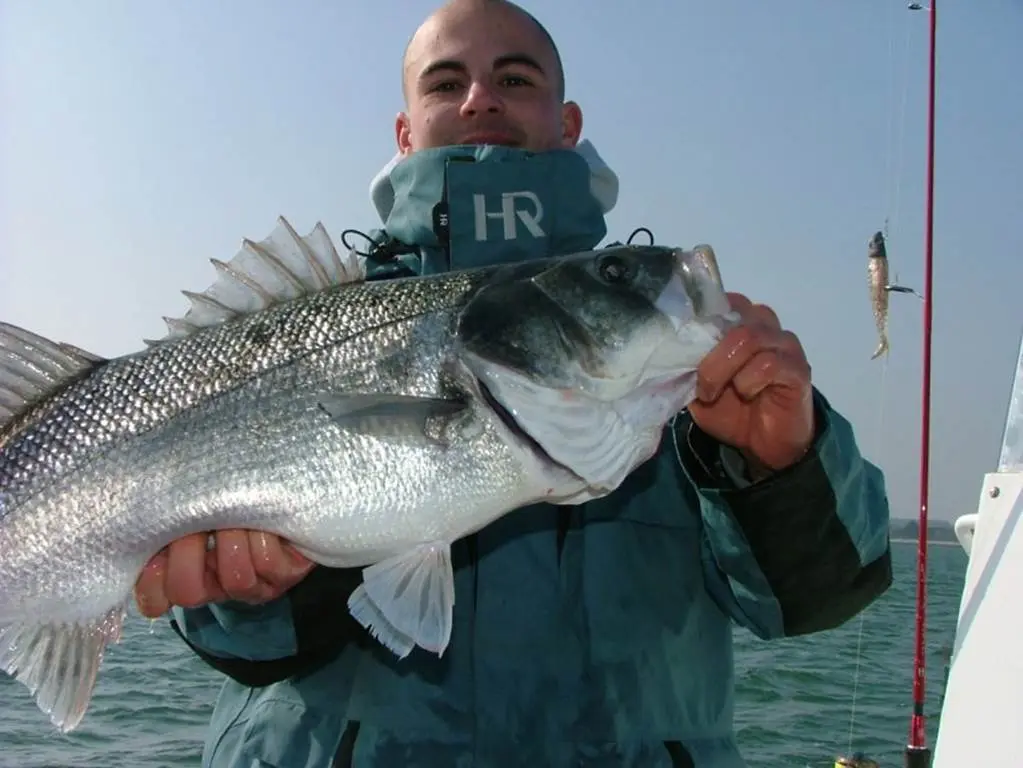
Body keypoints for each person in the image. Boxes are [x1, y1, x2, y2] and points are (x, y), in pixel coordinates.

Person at [134, 1, 894, 765]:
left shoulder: (672, 360)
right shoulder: (315, 327)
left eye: (513, 77)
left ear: (567, 122)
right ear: (404, 133)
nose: (479, 99)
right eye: (445, 83)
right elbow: (248, 653)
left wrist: (780, 469)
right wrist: (247, 595)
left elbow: (815, 600)